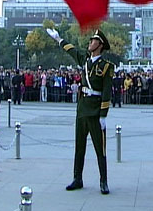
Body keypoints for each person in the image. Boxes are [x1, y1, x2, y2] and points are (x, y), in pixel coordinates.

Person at [47, 28, 113, 195]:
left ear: (100, 44)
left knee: (100, 149)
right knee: (79, 147)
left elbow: (107, 91)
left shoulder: (106, 66)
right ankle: (78, 178)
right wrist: (59, 39)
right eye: (90, 40)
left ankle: (103, 181)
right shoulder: (85, 60)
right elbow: (71, 50)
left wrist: (103, 115)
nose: (90, 42)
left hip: (96, 110)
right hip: (82, 108)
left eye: (93, 40)